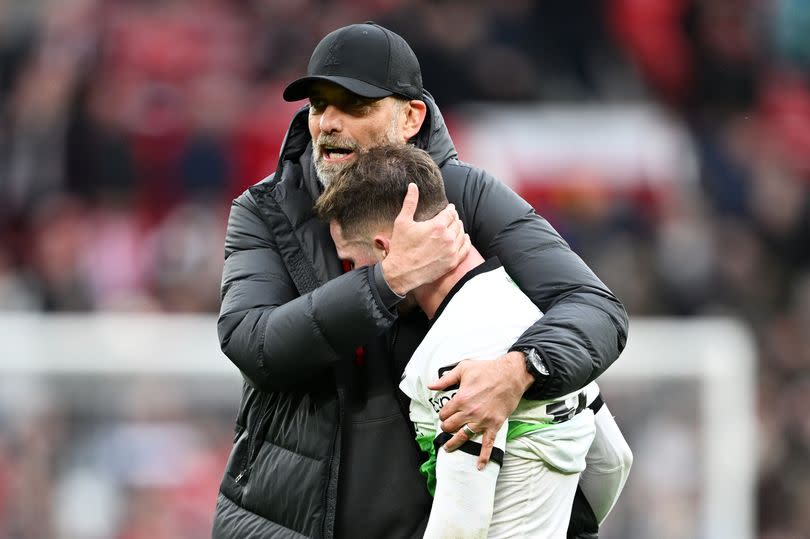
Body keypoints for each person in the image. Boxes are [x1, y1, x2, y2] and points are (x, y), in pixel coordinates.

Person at [213, 21, 629, 539]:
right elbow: (251, 343)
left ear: (411, 117)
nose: (328, 124)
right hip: (287, 524)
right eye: (319, 106)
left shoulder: (467, 196)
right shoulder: (267, 209)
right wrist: (385, 283)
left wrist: (521, 369)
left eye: (354, 106)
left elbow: (596, 309)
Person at [316, 144, 628, 538]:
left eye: (353, 263)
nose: (354, 279)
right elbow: (615, 461)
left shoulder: (456, 356)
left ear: (384, 248)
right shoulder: (533, 314)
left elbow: (461, 525)